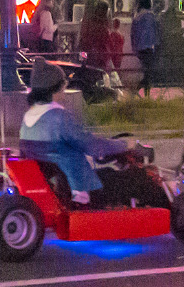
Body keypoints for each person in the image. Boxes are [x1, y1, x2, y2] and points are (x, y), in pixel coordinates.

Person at [19, 59, 164, 208]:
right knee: (135, 178)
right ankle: (171, 215)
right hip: (79, 187)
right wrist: (126, 144)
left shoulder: (29, 119)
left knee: (108, 172)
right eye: (63, 84)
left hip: (58, 183)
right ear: (55, 88)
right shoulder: (58, 117)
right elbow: (92, 146)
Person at [131, 0, 161, 97]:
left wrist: (135, 47)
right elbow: (153, 33)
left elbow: (133, 34)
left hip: (139, 48)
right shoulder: (150, 17)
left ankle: (142, 92)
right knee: (148, 73)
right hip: (148, 48)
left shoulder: (137, 17)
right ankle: (141, 91)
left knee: (146, 72)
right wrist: (156, 45)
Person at [78, 0, 110, 72]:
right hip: (100, 55)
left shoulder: (88, 22)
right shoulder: (103, 24)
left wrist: (82, 60)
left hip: (90, 54)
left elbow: (83, 41)